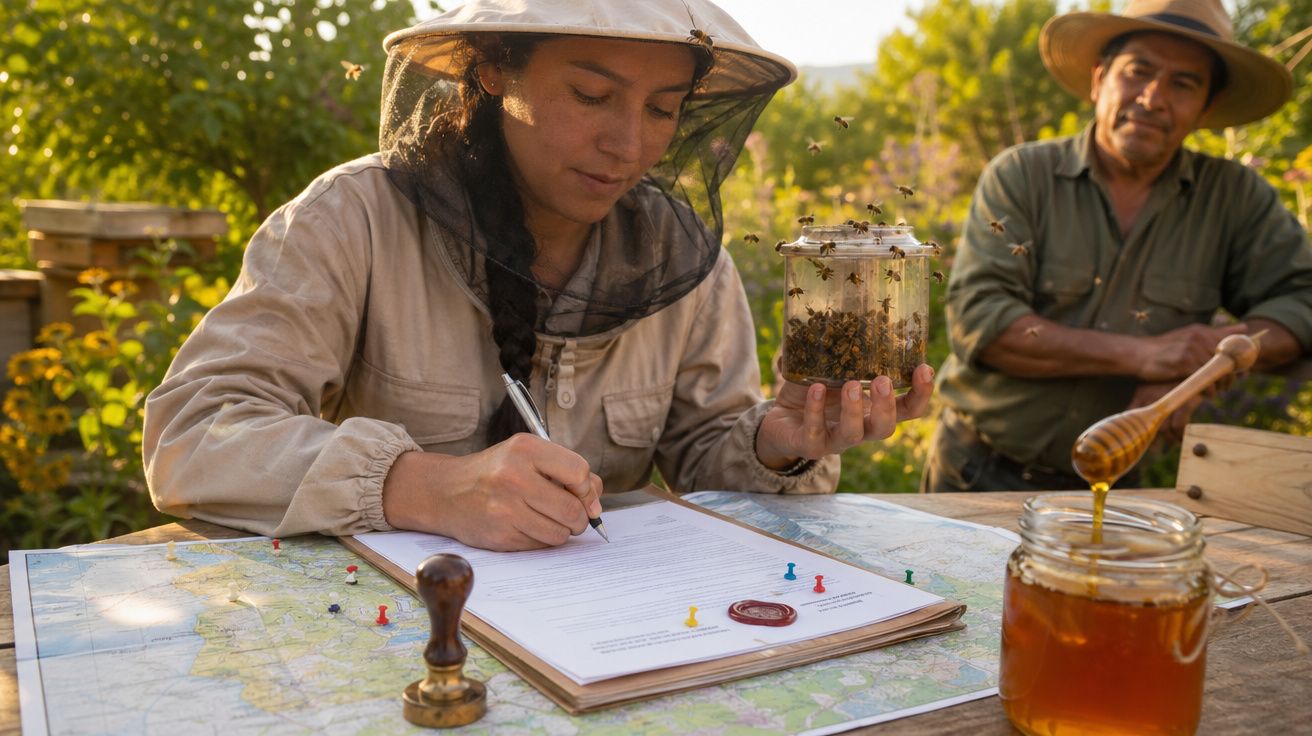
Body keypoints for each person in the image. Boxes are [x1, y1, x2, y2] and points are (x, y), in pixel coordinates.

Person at [143, 0, 934, 550]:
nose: (629, 144)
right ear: (494, 70)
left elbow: (705, 455)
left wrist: (777, 443)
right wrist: (422, 486)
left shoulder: (686, 262)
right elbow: (194, 433)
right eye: (592, 94)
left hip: (602, 645)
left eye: (663, 108)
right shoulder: (353, 221)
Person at [923, 0, 1312, 493]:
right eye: (1138, 71)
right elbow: (982, 322)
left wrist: (1201, 370)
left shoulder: (1234, 198)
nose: (1152, 98)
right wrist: (1147, 356)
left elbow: (1303, 300)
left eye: (1183, 83)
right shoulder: (1023, 176)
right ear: (1099, 79)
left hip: (1119, 485)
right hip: (977, 473)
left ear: (1206, 108)